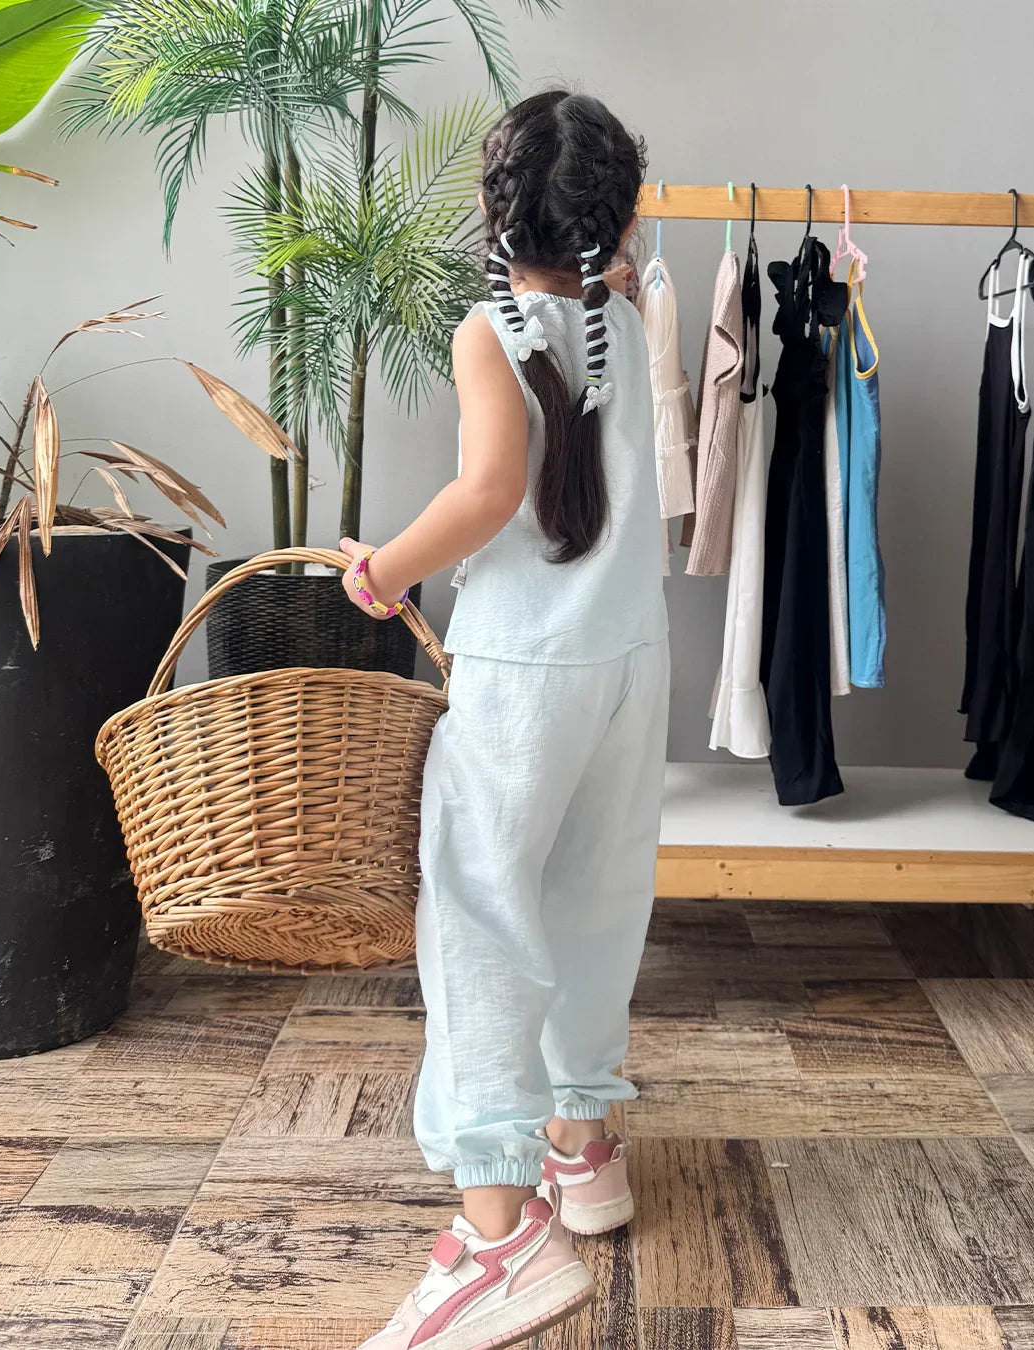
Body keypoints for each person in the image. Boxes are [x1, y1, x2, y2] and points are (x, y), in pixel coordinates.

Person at [340, 89, 669, 1350]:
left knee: (479, 912)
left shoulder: (496, 329)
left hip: (526, 668)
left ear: (496, 208)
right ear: (616, 221)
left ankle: (497, 1234)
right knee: (597, 897)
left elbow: (487, 491)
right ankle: (583, 1147)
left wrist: (383, 569)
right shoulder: (625, 324)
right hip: (632, 661)